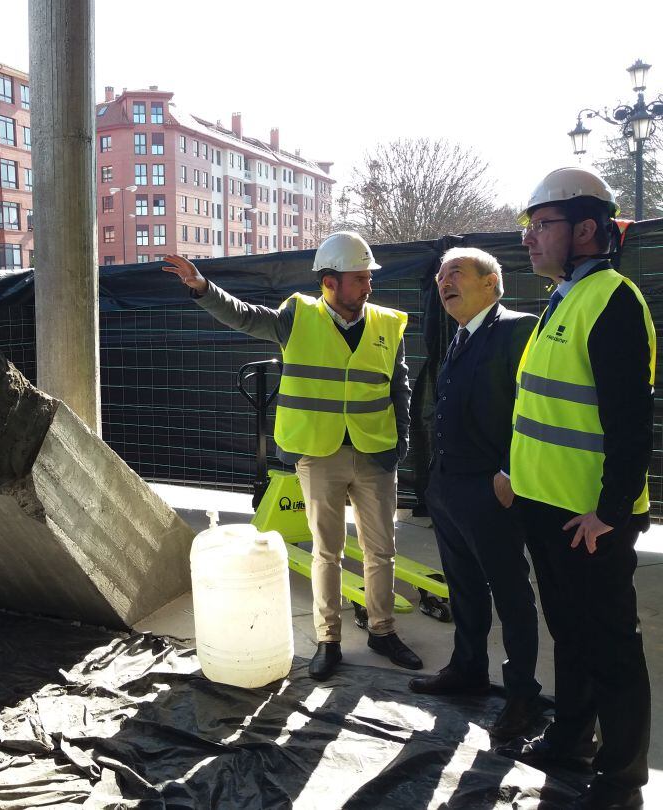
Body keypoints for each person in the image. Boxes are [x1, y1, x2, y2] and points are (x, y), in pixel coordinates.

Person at [164, 232, 422, 682]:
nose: (368, 287)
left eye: (368, 278)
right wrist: (203, 288)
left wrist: (399, 444)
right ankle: (329, 640)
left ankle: (383, 630)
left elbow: (399, 388)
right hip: (319, 453)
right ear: (330, 282)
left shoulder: (387, 323)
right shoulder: (295, 316)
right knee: (327, 550)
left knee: (382, 551)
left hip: (375, 453)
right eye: (360, 279)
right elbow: (244, 317)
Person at [497, 167, 652, 810]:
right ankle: (570, 739)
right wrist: (515, 475)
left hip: (588, 521)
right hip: (546, 507)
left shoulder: (612, 299)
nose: (530, 238)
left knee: (610, 647)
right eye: (528, 226)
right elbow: (546, 408)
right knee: (571, 634)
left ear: (586, 229)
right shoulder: (563, 296)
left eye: (543, 225)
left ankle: (619, 780)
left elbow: (631, 423)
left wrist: (609, 512)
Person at [407, 247, 541, 740]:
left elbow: (535, 405)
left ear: (492, 283)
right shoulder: (459, 336)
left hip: (492, 491)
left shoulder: (516, 329)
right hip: (449, 488)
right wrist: (436, 483)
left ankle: (522, 694)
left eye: (456, 272)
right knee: (463, 588)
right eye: (441, 274)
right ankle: (468, 669)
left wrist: (509, 473)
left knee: (510, 593)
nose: (444, 281)